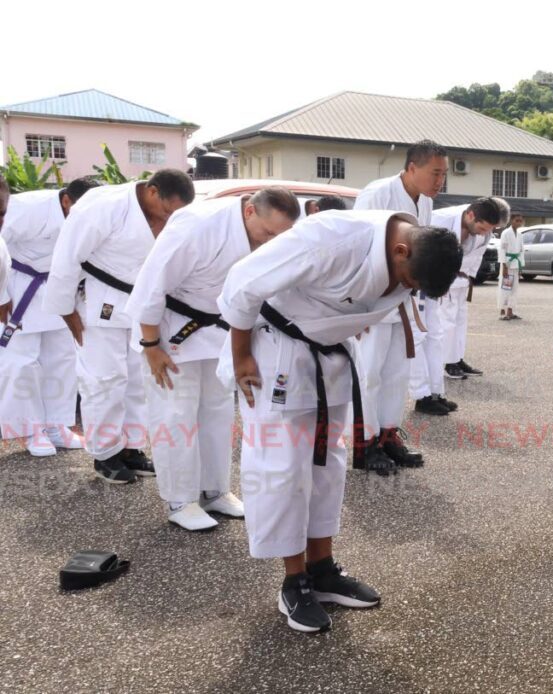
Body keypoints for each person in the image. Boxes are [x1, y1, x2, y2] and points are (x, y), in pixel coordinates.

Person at [217, 209, 460, 633]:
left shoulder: (413, 256)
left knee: (327, 466)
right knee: (284, 471)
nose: (406, 290)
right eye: (409, 281)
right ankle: (294, 583)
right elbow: (241, 282)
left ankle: (323, 569)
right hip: (276, 354)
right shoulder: (329, 237)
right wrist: (240, 357)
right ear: (401, 250)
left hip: (329, 357)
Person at [124, 187, 300, 530]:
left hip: (215, 328)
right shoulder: (197, 225)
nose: (270, 241)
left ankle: (213, 491)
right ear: (249, 211)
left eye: (279, 236)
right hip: (169, 327)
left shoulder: (266, 232)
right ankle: (179, 500)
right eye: (267, 233)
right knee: (175, 414)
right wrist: (151, 346)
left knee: (218, 410)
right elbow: (151, 284)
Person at [42, 170, 195, 483]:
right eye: (167, 210)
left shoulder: (172, 213)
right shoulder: (103, 205)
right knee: (104, 379)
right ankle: (105, 452)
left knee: (137, 380)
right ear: (152, 191)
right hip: (100, 301)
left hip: (141, 306)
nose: (170, 217)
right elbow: (66, 258)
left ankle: (132, 446)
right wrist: (66, 308)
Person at [353, 140, 448, 473]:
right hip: (371, 299)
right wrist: (358, 307)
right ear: (412, 167)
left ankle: (387, 435)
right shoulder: (376, 195)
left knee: (396, 372)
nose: (440, 182)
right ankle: (362, 443)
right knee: (368, 373)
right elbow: (358, 249)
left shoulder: (424, 204)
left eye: (444, 175)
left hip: (401, 298)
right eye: (435, 173)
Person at [0, 178, 99, 456]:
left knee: (63, 359)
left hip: (58, 289)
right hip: (18, 286)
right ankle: (31, 431)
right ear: (66, 200)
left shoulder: (89, 213)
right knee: (22, 363)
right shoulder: (26, 208)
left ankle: (57, 425)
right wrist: (1, 296)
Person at [432, 197, 509, 380]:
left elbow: (478, 254)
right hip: (444, 278)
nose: (488, 232)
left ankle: (457, 358)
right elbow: (432, 251)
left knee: (460, 320)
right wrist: (440, 281)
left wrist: (470, 278)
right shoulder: (440, 220)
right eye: (486, 228)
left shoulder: (486, 227)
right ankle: (445, 362)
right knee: (446, 321)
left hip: (462, 278)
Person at [498, 213, 525, 320]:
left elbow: (522, 251)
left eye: (520, 221)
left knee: (514, 289)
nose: (519, 223)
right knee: (506, 288)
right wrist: (504, 266)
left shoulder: (520, 235)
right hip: (508, 264)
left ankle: (511, 311)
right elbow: (502, 250)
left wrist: (521, 266)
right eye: (516, 220)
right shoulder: (505, 233)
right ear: (511, 220)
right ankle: (504, 311)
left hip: (516, 264)